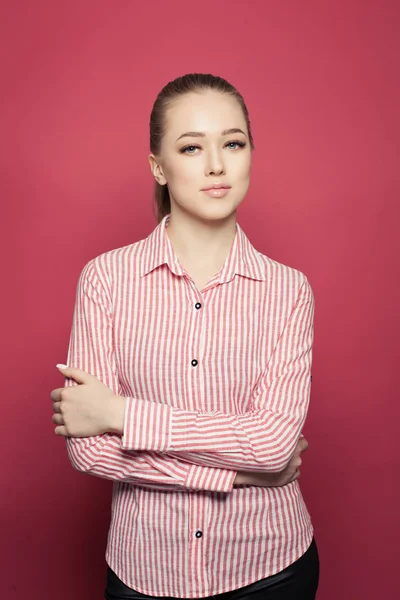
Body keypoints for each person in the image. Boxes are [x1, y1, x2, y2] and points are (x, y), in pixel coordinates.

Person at [50, 73, 319, 599]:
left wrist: (120, 414)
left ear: (249, 154)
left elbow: (271, 445)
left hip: (269, 568)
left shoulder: (289, 290)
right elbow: (87, 452)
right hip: (144, 571)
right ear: (158, 166)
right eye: (191, 147)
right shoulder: (105, 279)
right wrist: (233, 476)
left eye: (233, 143)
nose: (216, 165)